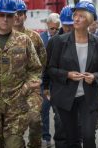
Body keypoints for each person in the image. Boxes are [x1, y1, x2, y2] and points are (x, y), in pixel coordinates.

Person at [47, 1, 98, 148]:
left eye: (81, 16)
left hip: (88, 97)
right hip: (66, 96)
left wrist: (94, 77)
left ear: (89, 20)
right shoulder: (58, 41)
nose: (76, 19)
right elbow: (50, 69)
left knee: (88, 137)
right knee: (72, 138)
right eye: (75, 15)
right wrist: (67, 74)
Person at [0, 0, 42, 148]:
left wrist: (26, 87)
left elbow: (36, 69)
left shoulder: (24, 40)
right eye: (2, 15)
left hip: (15, 106)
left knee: (14, 144)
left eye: (9, 15)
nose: (5, 19)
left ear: (15, 17)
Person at [13, 0, 47, 148]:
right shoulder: (1, 37)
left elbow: (43, 61)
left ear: (25, 16)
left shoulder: (34, 37)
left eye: (20, 13)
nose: (17, 16)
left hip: (32, 88)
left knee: (34, 119)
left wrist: (37, 80)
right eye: (13, 13)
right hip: (10, 90)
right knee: (13, 129)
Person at [43, 5, 74, 148]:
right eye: (66, 25)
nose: (68, 28)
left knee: (77, 131)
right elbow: (47, 67)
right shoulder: (54, 42)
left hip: (79, 92)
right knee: (61, 126)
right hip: (60, 90)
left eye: (71, 24)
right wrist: (46, 87)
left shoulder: (85, 39)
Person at [40, 13, 60, 146]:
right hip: (44, 81)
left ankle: (59, 138)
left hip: (58, 82)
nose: (54, 31)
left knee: (58, 113)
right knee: (43, 111)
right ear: (47, 26)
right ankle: (46, 137)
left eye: (56, 29)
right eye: (51, 28)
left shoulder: (62, 39)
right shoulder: (40, 39)